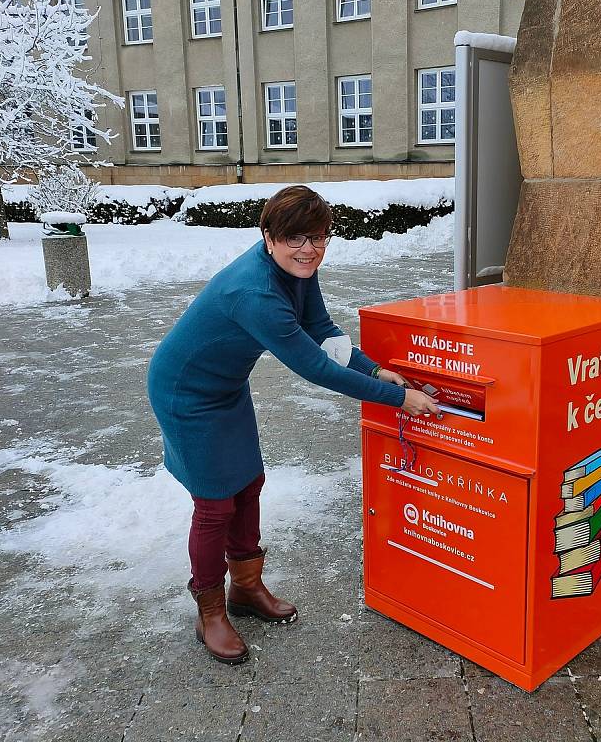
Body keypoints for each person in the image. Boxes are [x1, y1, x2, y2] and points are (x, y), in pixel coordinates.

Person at [147, 185, 439, 665]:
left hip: (226, 386)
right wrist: (397, 397)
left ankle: (245, 588)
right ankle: (210, 611)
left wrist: (372, 369)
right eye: (297, 239)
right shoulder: (255, 292)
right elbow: (314, 367)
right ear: (269, 237)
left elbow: (321, 328)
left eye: (319, 238)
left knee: (249, 482)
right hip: (186, 394)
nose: (310, 249)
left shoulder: (299, 270)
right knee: (215, 502)